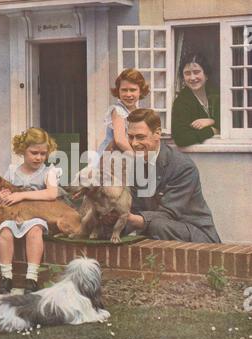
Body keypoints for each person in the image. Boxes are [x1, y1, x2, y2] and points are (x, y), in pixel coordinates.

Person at [0, 127, 61, 294]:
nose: (39, 157)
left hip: (36, 215)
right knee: (5, 231)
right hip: (13, 215)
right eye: (34, 153)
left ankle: (31, 278)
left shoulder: (48, 171)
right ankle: (6, 277)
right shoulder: (12, 171)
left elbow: (52, 193)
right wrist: (2, 195)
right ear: (22, 151)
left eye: (43, 153)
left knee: (35, 230)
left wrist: (21, 195)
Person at [126, 108, 221, 243]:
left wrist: (131, 219)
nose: (134, 143)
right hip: (160, 230)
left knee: (156, 226)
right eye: (130, 136)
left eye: (140, 137)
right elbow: (134, 209)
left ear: (157, 133)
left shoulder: (183, 166)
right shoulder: (135, 166)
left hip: (198, 236)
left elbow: (169, 213)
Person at [94, 68, 150, 164]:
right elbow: (120, 140)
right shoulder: (118, 111)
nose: (128, 94)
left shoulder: (137, 112)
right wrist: (137, 159)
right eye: (124, 90)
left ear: (140, 91)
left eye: (133, 90)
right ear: (118, 91)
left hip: (126, 154)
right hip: (111, 154)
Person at [172, 53, 220, 147]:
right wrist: (212, 130)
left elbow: (232, 122)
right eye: (187, 73)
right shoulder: (181, 102)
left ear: (206, 75)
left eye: (196, 72)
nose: (192, 78)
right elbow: (181, 138)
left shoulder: (217, 95)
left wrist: (211, 121)